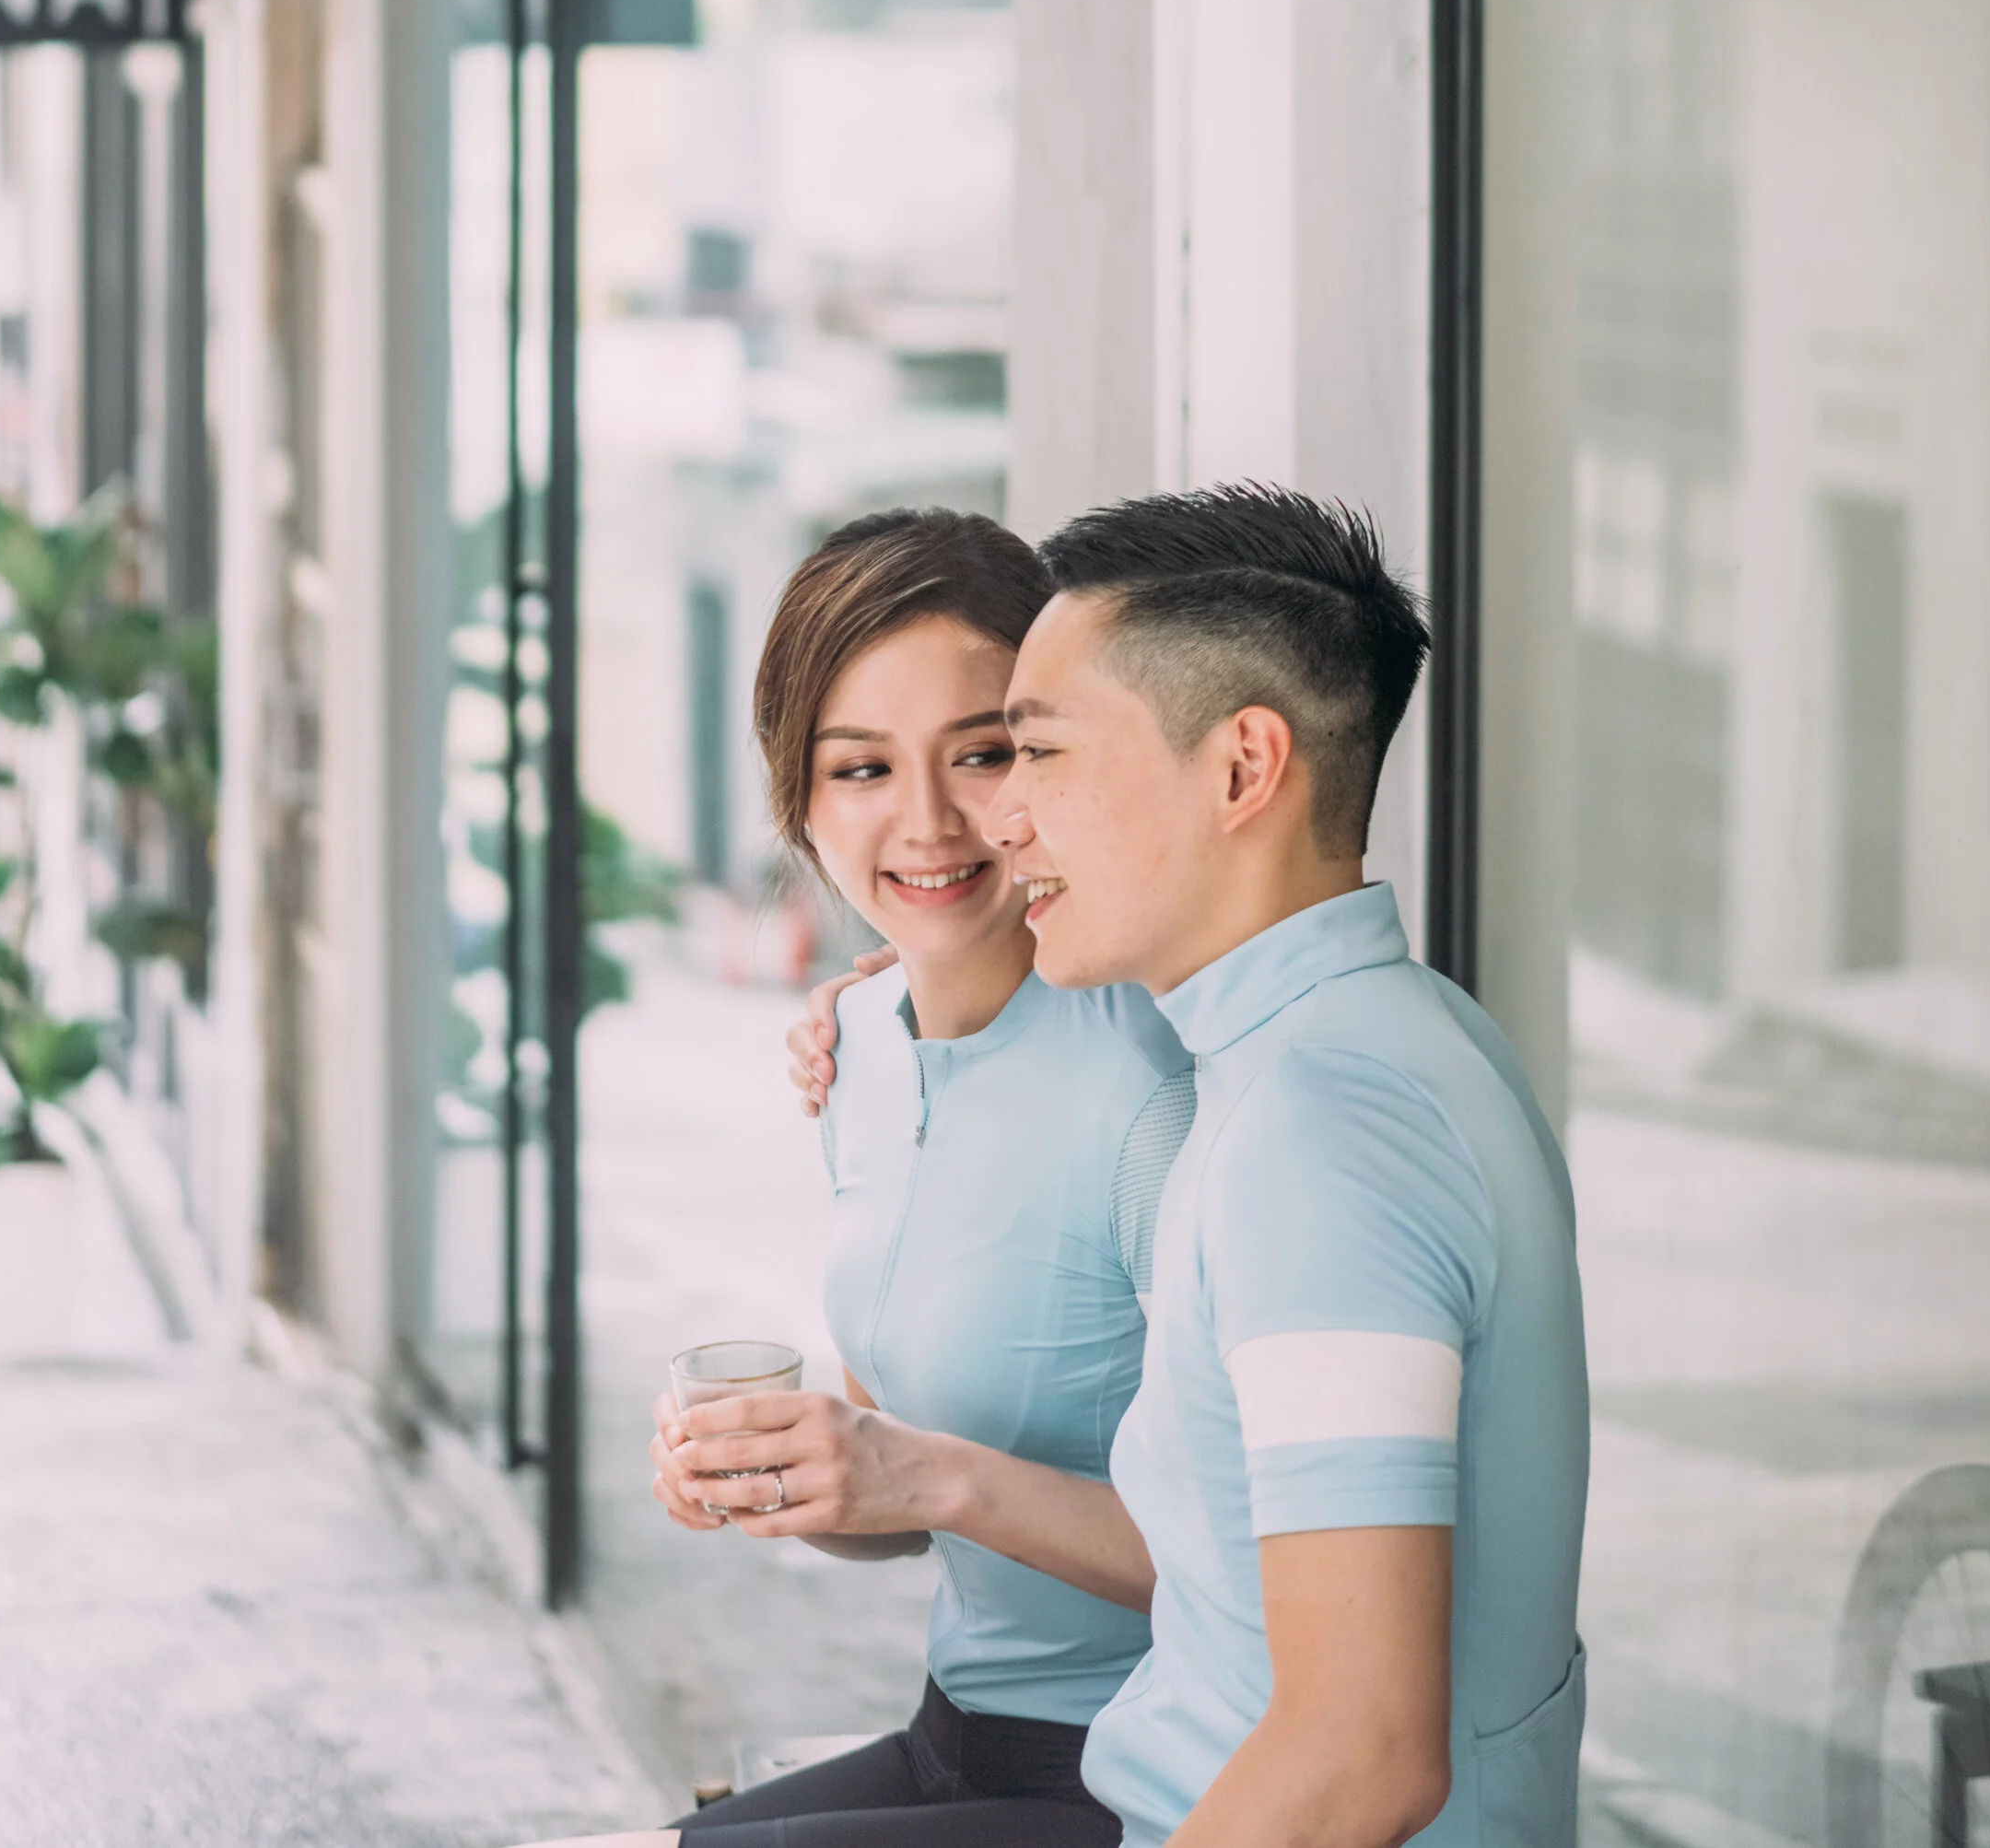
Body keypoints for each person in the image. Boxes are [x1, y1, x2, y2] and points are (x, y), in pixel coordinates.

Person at [959, 485, 1587, 1848]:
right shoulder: (1381, 1041)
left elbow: (1358, 1754)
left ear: (1243, 768)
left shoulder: (1326, 1127)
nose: (999, 821)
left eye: (1041, 754)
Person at [650, 506, 1194, 1848]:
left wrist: (916, 1474)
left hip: (1155, 1772)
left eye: (983, 753)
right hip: (955, 1736)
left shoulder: (1156, 1090)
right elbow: (916, 1488)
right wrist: (803, 1480)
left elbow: (1277, 1574)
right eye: (860, 769)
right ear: (797, 796)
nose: (930, 822)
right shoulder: (862, 1065)